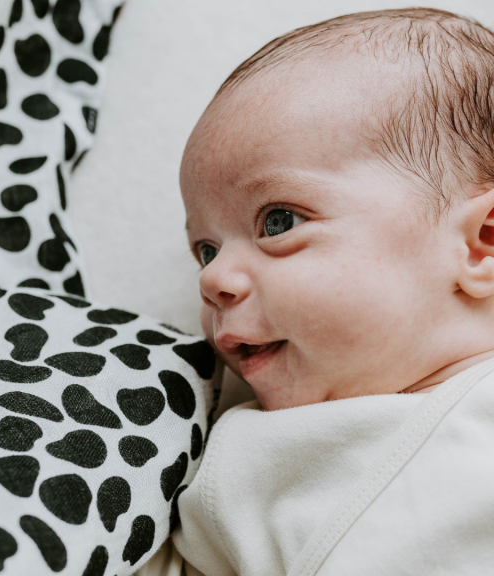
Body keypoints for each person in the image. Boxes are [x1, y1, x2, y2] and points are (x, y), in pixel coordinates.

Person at [168, 8, 494, 575]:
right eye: (207, 250)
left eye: (278, 222)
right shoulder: (250, 462)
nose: (212, 280)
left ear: (481, 243)